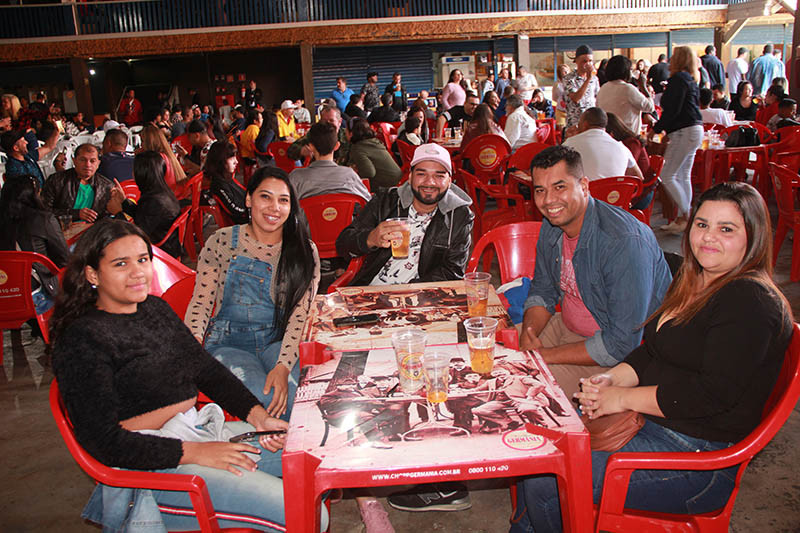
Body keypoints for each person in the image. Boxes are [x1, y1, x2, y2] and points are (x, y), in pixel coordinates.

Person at [512, 182, 792, 533]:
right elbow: (652, 350)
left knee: (547, 480)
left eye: (727, 229)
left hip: (698, 459)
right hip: (654, 426)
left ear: (754, 237)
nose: (708, 237)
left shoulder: (750, 302)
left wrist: (622, 398)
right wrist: (611, 378)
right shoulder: (696, 280)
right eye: (702, 224)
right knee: (539, 458)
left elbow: (711, 395)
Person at [50, 218, 324, 532]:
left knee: (312, 456)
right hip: (151, 469)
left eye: (143, 260)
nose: (138, 272)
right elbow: (102, 440)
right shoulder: (82, 339)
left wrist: (257, 416)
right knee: (311, 514)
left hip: (193, 432)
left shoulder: (154, 309)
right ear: (92, 274)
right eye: (121, 264)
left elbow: (204, 368)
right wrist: (196, 453)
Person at [518, 145, 671, 400]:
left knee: (524, 391)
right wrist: (528, 333)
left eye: (559, 187)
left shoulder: (622, 241)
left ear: (584, 186)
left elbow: (621, 343)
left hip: (615, 359)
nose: (548, 201)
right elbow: (544, 290)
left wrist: (545, 356)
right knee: (492, 351)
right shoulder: (552, 225)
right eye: (540, 190)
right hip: (566, 328)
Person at [186, 166, 320, 420]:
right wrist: (190, 352)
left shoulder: (303, 250)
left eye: (283, 200)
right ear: (248, 199)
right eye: (265, 197)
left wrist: (283, 366)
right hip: (228, 345)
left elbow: (300, 315)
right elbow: (200, 304)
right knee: (264, 397)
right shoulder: (222, 241)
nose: (274, 208)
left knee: (304, 396)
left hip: (279, 342)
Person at [336, 143, 474, 286]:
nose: (429, 182)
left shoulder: (459, 216)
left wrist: (411, 289)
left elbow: (453, 271)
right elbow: (343, 244)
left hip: (424, 292)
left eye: (439, 176)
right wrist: (370, 238)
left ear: (449, 181)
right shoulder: (386, 201)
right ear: (410, 177)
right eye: (421, 174)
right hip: (374, 289)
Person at [0, 175, 69, 322]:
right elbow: (64, 260)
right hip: (35, 299)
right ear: (35, 195)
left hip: (3, 298)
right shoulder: (44, 220)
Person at [651, 46, 703, 235]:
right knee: (683, 175)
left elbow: (672, 109)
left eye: (673, 57)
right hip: (695, 129)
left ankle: (688, 215)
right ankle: (683, 217)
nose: (670, 60)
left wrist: (657, 129)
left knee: (667, 174)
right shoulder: (691, 79)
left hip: (684, 131)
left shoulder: (678, 80)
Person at [107, 150, 182, 257]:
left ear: (141, 173)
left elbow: (137, 235)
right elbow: (142, 215)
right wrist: (124, 201)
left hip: (161, 250)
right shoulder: (161, 191)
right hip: (166, 241)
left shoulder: (155, 201)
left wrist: (118, 213)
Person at [288, 121, 371, 202]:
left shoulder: (296, 177)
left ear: (311, 147)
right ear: (337, 146)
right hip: (343, 211)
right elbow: (367, 201)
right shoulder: (350, 175)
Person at [563, 107, 642, 181]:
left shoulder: (570, 144)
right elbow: (639, 177)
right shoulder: (622, 147)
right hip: (615, 191)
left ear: (585, 124)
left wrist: (567, 139)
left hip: (586, 190)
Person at [42, 143, 114, 223]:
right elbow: (43, 211)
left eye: (92, 161)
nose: (88, 165)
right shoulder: (57, 181)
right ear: (74, 161)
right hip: (61, 228)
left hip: (94, 229)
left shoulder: (106, 186)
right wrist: (75, 214)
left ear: (98, 164)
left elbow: (108, 216)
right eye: (82, 160)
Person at [596, 55, 655, 136]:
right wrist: (643, 87)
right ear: (625, 71)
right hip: (628, 136)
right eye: (630, 69)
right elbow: (650, 107)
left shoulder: (603, 88)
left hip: (609, 135)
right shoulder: (628, 89)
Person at [605, 112, 654, 209]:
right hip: (628, 188)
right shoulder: (622, 143)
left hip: (640, 193)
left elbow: (625, 170)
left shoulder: (631, 143)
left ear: (611, 133)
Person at [346, 117, 402, 190]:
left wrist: (354, 171)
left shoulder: (358, 148)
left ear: (351, 134)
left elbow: (369, 172)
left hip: (388, 185)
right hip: (398, 179)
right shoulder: (373, 142)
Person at [204, 141, 249, 224]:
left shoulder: (226, 177)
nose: (236, 161)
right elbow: (236, 210)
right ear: (220, 161)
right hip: (246, 223)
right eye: (231, 158)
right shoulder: (219, 185)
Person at [139, 124, 188, 195]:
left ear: (149, 142)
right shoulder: (167, 155)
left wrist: (139, 158)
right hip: (177, 195)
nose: (141, 145)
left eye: (142, 141)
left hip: (168, 197)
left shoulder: (156, 160)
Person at [563, 45, 600, 129]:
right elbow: (576, 98)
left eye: (590, 61)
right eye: (584, 61)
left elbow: (597, 98)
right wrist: (588, 79)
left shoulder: (594, 79)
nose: (588, 64)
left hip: (591, 123)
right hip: (575, 124)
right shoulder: (569, 79)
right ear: (576, 61)